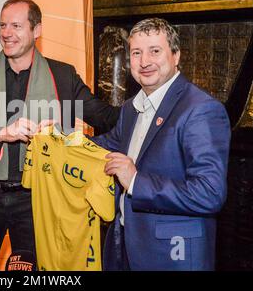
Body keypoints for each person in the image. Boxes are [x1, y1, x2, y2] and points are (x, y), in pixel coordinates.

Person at [0, 0, 120, 268]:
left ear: (36, 30)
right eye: (3, 25)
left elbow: (106, 117)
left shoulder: (62, 77)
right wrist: (1, 133)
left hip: (35, 200)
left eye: (16, 25)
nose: (6, 33)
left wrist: (150, 104)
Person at [93, 18, 231, 271]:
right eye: (136, 53)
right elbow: (102, 146)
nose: (144, 62)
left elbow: (210, 193)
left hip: (172, 256)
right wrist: (54, 137)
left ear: (176, 56)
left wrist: (136, 181)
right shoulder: (131, 108)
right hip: (125, 249)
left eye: (155, 51)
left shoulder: (201, 109)